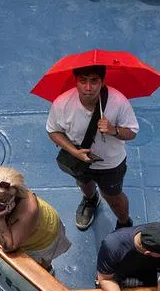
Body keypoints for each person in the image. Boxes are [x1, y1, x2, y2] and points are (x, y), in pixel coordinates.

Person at [46, 65, 138, 232]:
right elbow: (53, 131)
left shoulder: (118, 102)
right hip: (79, 161)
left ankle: (124, 223)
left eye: (94, 81)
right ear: (76, 81)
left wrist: (113, 130)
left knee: (114, 198)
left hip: (110, 165)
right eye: (83, 81)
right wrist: (74, 152)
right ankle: (90, 200)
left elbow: (132, 132)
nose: (88, 87)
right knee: (84, 183)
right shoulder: (61, 104)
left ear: (102, 82)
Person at [0, 167, 71, 273]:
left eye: (2, 202)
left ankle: (47, 268)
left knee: (43, 261)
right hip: (12, 225)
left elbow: (9, 246)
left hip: (42, 234)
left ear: (15, 195)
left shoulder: (29, 208)